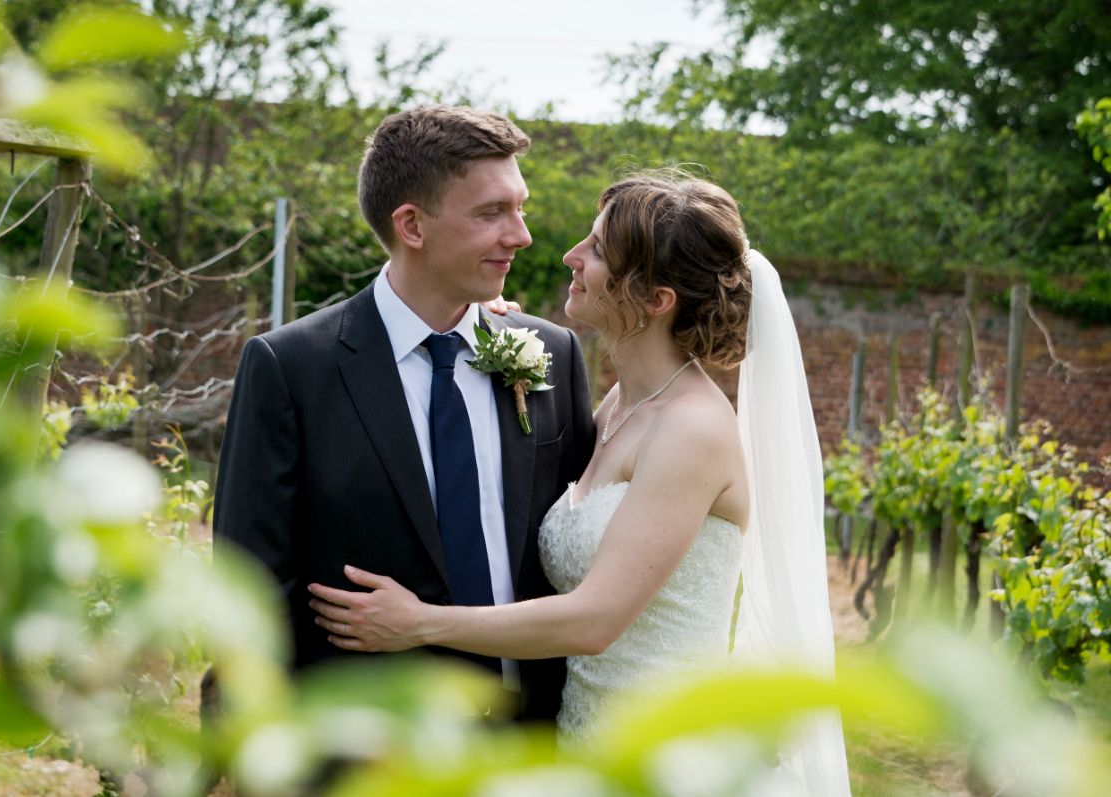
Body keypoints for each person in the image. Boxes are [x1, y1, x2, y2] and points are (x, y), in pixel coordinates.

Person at [308, 172, 852, 794]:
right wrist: (475, 334)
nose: (571, 256)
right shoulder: (623, 405)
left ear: (655, 299)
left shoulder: (694, 430)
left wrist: (420, 622)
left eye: (597, 250)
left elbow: (595, 620)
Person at [212, 104, 597, 723]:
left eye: (519, 207)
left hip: (534, 742)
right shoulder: (291, 368)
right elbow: (246, 590)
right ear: (412, 225)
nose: (521, 235)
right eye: (492, 212)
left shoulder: (553, 353)